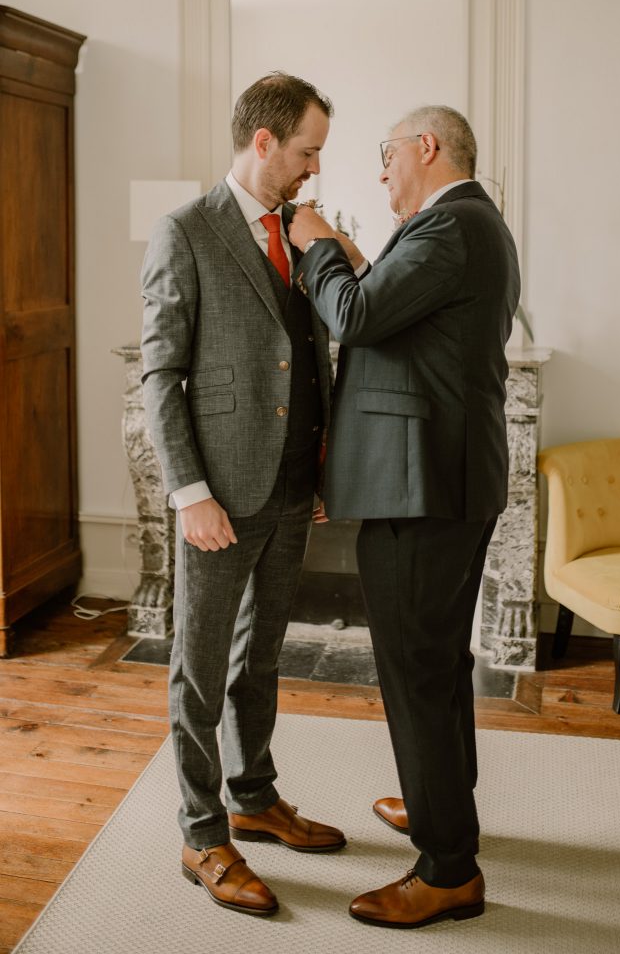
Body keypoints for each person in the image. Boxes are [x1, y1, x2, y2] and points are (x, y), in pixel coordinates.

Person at [289, 105, 520, 929]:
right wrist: (353, 258)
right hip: (443, 484)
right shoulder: (464, 226)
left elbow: (352, 316)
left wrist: (316, 238)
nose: (380, 170)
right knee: (439, 664)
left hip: (422, 491)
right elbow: (393, 315)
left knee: (415, 671)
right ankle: (442, 812)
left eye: (385, 155)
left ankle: (448, 868)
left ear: (426, 147)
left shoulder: (448, 229)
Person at [140, 72, 346, 918]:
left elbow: (308, 355)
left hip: (294, 484)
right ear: (263, 142)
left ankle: (254, 797)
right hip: (218, 494)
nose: (313, 170)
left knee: (261, 657)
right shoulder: (185, 230)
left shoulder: (302, 232)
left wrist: (324, 463)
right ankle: (202, 834)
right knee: (198, 669)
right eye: (306, 152)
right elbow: (161, 376)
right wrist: (189, 492)